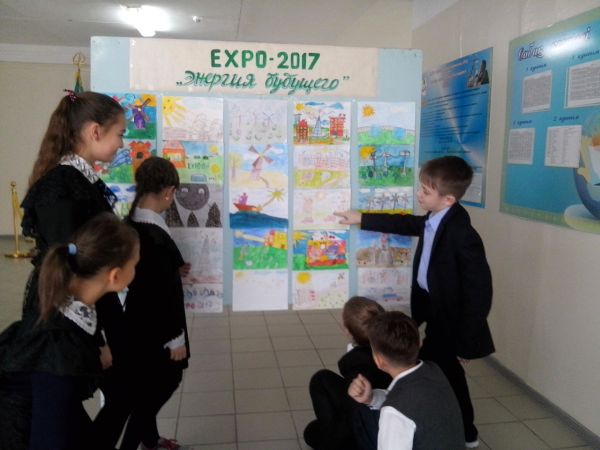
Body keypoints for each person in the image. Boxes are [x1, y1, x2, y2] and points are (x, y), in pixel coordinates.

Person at [335, 155, 494, 448]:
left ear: (448, 199)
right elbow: (406, 223)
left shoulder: (462, 234)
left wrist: (466, 342)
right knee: (434, 369)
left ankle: (466, 433)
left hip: (450, 321)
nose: (419, 194)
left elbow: (479, 293)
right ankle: (437, 419)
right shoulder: (434, 219)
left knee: (447, 373)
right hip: (431, 309)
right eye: (420, 187)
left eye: (425, 191)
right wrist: (361, 218)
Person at [0, 213, 139, 450]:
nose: (136, 272)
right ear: (115, 276)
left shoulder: (66, 304)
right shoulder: (58, 352)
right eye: (135, 266)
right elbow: (48, 441)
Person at [119, 157, 191, 450]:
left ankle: (150, 439)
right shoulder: (154, 236)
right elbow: (161, 293)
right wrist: (176, 338)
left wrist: (173, 269)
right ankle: (132, 443)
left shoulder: (134, 222)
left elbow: (151, 276)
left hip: (138, 320)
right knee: (164, 382)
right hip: (158, 327)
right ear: (169, 191)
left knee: (146, 384)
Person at [348, 311, 464, 450]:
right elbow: (410, 398)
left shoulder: (393, 413)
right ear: (420, 342)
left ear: (379, 361)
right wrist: (371, 398)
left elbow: (403, 403)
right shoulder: (433, 369)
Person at [303, 296, 391, 450]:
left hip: (371, 423)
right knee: (322, 380)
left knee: (312, 432)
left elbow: (356, 405)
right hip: (376, 406)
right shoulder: (394, 347)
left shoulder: (355, 362)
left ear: (347, 331)